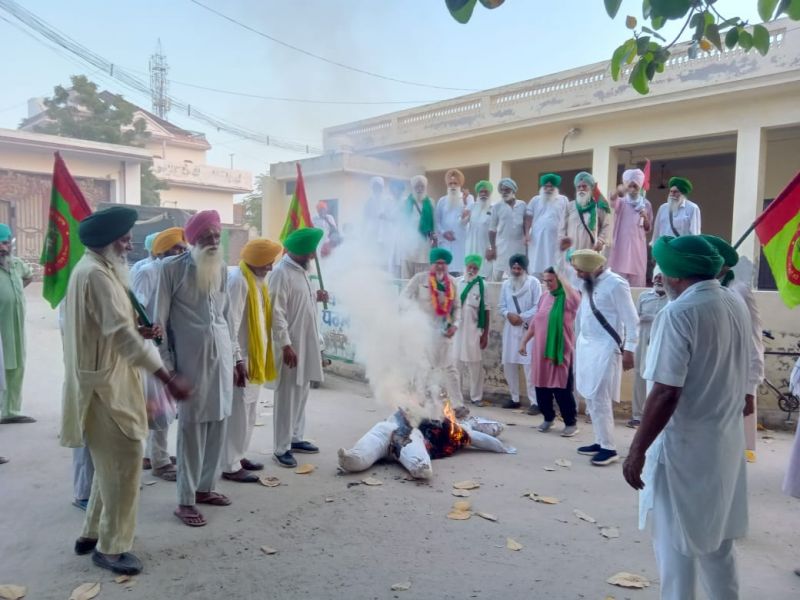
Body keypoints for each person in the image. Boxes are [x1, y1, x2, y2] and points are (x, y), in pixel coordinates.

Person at [61, 206, 191, 575]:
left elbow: (118, 324)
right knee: (126, 461)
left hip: (110, 380)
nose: (128, 242)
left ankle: (92, 533)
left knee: (110, 466)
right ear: (106, 242)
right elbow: (119, 336)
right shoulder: (96, 275)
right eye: (122, 236)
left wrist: (139, 327)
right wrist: (166, 378)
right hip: (105, 386)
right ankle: (112, 548)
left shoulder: (100, 270)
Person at [623, 235, 752, 600]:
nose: (658, 277)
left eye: (662, 269)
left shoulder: (678, 313)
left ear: (676, 276)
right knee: (717, 542)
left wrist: (637, 451)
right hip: (724, 444)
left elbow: (665, 391)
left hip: (684, 451)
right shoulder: (732, 301)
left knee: (677, 547)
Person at [155, 209, 242, 527]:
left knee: (219, 424)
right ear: (193, 240)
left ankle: (206, 488)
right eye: (207, 236)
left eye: (217, 236)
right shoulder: (170, 269)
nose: (213, 241)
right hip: (189, 365)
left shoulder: (221, 268)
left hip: (220, 361)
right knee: (191, 432)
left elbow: (227, 318)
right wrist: (168, 370)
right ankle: (185, 500)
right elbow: (158, 323)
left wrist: (237, 358)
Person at [221, 238, 283, 482]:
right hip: (243, 360)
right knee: (239, 413)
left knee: (249, 412)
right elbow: (231, 324)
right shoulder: (238, 281)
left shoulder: (257, 282)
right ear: (255, 261)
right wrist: (237, 361)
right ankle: (230, 465)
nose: (270, 268)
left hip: (255, 360)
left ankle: (239, 455)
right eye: (267, 263)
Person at [571, 249, 638, 466]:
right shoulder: (588, 283)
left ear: (594, 268)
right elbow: (583, 314)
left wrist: (630, 350)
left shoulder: (616, 284)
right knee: (591, 397)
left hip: (606, 347)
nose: (578, 274)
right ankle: (600, 441)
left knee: (600, 397)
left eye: (581, 271)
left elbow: (631, 320)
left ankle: (609, 448)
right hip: (587, 346)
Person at [270, 228, 328, 468]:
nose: (314, 255)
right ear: (301, 252)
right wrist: (285, 345)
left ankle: (295, 438)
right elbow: (276, 312)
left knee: (302, 391)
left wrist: (316, 297)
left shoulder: (302, 270)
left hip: (307, 342)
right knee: (287, 396)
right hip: (291, 345)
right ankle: (280, 447)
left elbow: (299, 302)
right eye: (311, 251)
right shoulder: (281, 273)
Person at [702, 235, 764, 459]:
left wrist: (750, 388)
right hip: (709, 375)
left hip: (733, 374)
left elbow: (753, 339)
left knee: (728, 448)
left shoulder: (738, 290)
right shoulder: (701, 287)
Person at [133, 227, 187, 480]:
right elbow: (137, 308)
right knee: (159, 406)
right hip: (152, 347)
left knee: (163, 406)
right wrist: (146, 329)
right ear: (161, 251)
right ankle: (160, 461)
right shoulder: (147, 272)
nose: (180, 253)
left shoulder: (175, 271)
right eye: (175, 249)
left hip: (169, 343)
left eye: (182, 249)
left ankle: (154, 454)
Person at [518, 267, 580, 435]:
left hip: (560, 352)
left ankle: (570, 422)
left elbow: (573, 292)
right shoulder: (544, 297)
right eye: (545, 281)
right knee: (541, 387)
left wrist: (562, 273)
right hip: (540, 352)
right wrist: (524, 341)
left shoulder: (569, 299)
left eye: (551, 280)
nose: (547, 284)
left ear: (560, 280)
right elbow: (536, 322)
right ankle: (548, 418)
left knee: (562, 389)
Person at [402, 247, 464, 409]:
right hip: (422, 331)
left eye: (444, 263)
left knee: (450, 369)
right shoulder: (419, 279)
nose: (440, 266)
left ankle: (458, 406)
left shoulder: (452, 282)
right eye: (437, 263)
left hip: (444, 332)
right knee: (423, 367)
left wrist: (455, 325)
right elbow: (403, 299)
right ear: (432, 263)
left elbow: (457, 307)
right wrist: (411, 318)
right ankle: (419, 402)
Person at [498, 254, 542, 413]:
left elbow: (538, 306)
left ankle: (535, 402)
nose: (516, 271)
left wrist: (521, 317)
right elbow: (501, 306)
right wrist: (507, 315)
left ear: (525, 269)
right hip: (510, 328)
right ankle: (514, 398)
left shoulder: (534, 283)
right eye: (514, 268)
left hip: (527, 329)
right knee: (509, 364)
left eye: (519, 268)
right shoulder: (506, 285)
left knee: (529, 366)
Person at [0, 222, 34, 424]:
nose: (2, 248)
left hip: (16, 326)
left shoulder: (16, 264)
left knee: (17, 365)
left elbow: (28, 277)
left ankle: (11, 410)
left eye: (5, 243)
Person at [629, 268, 668, 428]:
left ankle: (655, 416)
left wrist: (652, 318)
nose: (658, 280)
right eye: (656, 277)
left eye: (661, 277)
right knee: (639, 377)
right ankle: (637, 415)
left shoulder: (673, 299)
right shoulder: (644, 297)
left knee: (658, 378)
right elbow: (634, 319)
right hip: (643, 341)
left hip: (662, 343)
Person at [560, 172, 612, 287]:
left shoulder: (599, 207)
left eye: (584, 186)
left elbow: (607, 226)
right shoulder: (570, 206)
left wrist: (601, 240)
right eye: (579, 187)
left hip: (590, 252)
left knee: (588, 285)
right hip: (572, 253)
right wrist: (563, 244)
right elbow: (562, 228)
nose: (581, 189)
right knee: (572, 285)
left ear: (591, 188)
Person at [608, 169, 653, 287]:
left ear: (640, 186)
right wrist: (618, 190)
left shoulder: (646, 204)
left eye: (635, 186)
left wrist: (646, 218)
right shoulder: (622, 202)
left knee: (637, 282)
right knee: (618, 281)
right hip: (621, 247)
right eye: (630, 186)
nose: (632, 189)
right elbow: (612, 199)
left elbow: (648, 228)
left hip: (638, 248)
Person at [454, 255, 490, 405]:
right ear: (465, 266)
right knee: (455, 365)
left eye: (475, 268)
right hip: (456, 329)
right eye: (470, 267)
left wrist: (485, 334)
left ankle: (476, 397)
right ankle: (457, 397)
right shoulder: (456, 283)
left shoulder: (482, 285)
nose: (472, 270)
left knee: (475, 365)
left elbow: (487, 309)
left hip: (474, 329)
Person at [526, 173, 568, 277]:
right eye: (546, 186)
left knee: (554, 264)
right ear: (542, 187)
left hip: (556, 239)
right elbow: (528, 218)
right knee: (536, 263)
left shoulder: (563, 200)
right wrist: (526, 234)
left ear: (556, 187)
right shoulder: (535, 200)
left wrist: (566, 235)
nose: (548, 189)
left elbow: (567, 218)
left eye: (551, 186)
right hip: (537, 239)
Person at [487, 178, 527, 282]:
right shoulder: (497, 207)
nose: (504, 192)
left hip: (518, 246)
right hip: (501, 246)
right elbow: (492, 229)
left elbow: (525, 224)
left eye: (507, 190)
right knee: (497, 276)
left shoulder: (522, 205)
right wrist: (493, 248)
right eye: (502, 190)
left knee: (518, 274)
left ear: (513, 191)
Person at [436, 169, 472, 275]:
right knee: (444, 274)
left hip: (460, 243)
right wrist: (443, 233)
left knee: (459, 274)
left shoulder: (468, 198)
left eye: (455, 183)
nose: (452, 186)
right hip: (445, 243)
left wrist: (465, 203)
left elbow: (467, 219)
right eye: (450, 183)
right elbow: (437, 221)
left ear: (460, 184)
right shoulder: (442, 201)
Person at [401, 175, 437, 278]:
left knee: (423, 275)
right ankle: (407, 294)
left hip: (424, 243)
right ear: (413, 188)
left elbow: (434, 222)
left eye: (422, 186)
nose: (419, 189)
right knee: (407, 275)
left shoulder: (430, 202)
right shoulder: (406, 202)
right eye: (417, 186)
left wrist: (434, 237)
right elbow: (402, 222)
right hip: (408, 243)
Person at [651, 176, 701, 242]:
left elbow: (695, 233)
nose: (672, 194)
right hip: (664, 247)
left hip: (681, 247)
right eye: (670, 191)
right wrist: (654, 245)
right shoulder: (663, 208)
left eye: (675, 192)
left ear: (683, 193)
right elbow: (656, 230)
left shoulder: (693, 208)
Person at [464, 180, 494, 279]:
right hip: (471, 246)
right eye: (481, 192)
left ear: (490, 193)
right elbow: (462, 222)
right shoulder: (472, 207)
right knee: (470, 273)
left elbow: (497, 230)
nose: (483, 194)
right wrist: (465, 200)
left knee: (484, 274)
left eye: (486, 192)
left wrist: (492, 249)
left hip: (486, 248)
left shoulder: (494, 208)